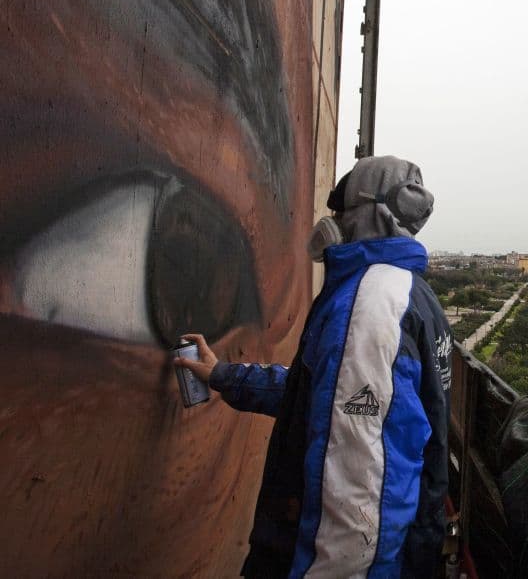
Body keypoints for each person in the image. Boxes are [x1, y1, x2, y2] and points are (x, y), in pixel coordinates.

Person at [176, 156, 453, 579]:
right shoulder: (411, 295)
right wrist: (222, 376)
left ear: (373, 212)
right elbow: (319, 397)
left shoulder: (370, 306)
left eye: (341, 209)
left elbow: (358, 501)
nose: (333, 219)